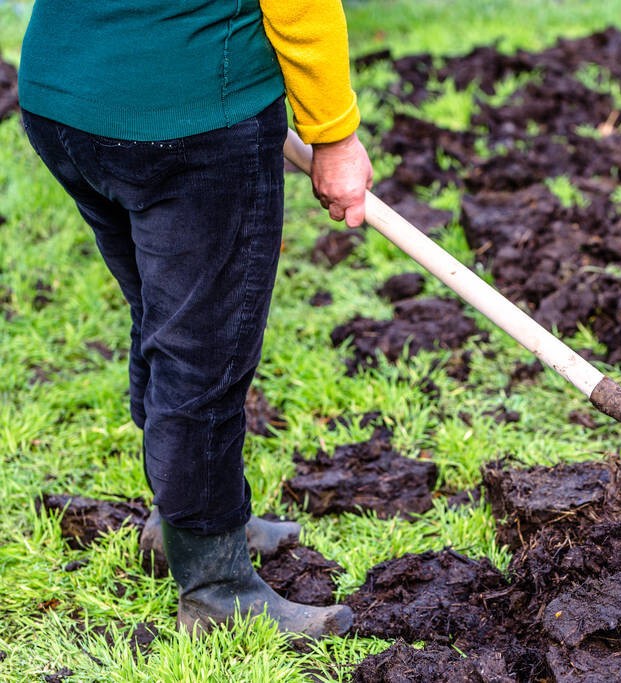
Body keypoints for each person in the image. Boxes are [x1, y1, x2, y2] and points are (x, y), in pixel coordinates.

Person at [18, 0, 372, 637]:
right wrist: (336, 136)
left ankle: (190, 519)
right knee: (201, 351)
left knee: (166, 317)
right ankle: (216, 585)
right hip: (190, 118)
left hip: (64, 101)